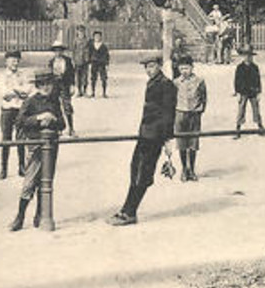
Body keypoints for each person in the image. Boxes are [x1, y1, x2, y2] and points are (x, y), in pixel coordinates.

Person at [107, 53, 176, 226]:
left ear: (159, 66)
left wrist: (167, 139)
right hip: (145, 134)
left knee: (142, 174)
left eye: (152, 66)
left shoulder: (166, 85)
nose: (149, 70)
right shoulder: (153, 83)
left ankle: (130, 212)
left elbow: (169, 114)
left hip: (155, 136)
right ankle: (127, 209)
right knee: (135, 170)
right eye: (146, 67)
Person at [9, 71, 63, 232]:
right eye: (43, 84)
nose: (47, 87)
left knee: (46, 180)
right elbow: (19, 122)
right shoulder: (31, 101)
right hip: (36, 145)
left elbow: (62, 124)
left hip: (52, 145)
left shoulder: (54, 101)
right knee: (30, 181)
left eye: (49, 84)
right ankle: (20, 216)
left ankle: (40, 214)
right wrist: (39, 118)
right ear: (38, 86)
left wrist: (53, 119)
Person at [0, 47, 29, 179]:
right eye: (12, 60)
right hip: (7, 110)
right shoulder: (2, 76)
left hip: (20, 110)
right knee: (6, 139)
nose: (15, 63)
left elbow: (27, 91)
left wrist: (15, 91)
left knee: (21, 139)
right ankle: (3, 168)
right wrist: (18, 91)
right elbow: (4, 94)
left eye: (17, 60)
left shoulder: (22, 75)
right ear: (6, 62)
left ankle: (21, 167)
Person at [173, 53, 207, 181]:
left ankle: (191, 169)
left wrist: (200, 110)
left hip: (194, 115)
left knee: (193, 144)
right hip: (180, 114)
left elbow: (204, 97)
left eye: (186, 68)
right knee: (181, 143)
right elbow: (172, 99)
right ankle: (183, 169)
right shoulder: (176, 83)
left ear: (192, 68)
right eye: (181, 69)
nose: (184, 71)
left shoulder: (199, 81)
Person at [233, 43, 265, 138]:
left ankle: (260, 126)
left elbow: (258, 80)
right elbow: (236, 81)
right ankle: (238, 128)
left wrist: (259, 92)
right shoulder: (240, 67)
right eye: (246, 55)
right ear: (243, 56)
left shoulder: (255, 67)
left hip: (253, 92)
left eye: (249, 55)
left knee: (256, 109)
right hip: (243, 92)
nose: (248, 57)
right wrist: (237, 92)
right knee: (241, 110)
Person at [48, 36, 77, 136]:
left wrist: (72, 85)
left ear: (62, 51)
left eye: (60, 50)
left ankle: (71, 128)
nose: (58, 53)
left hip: (65, 85)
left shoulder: (67, 61)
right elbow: (49, 75)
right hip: (55, 86)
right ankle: (59, 128)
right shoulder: (51, 62)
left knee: (67, 107)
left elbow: (72, 74)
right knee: (55, 107)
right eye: (56, 50)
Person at [88, 30, 110, 98]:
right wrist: (89, 63)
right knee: (93, 78)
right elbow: (89, 54)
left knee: (103, 78)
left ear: (101, 37)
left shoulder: (103, 46)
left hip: (102, 64)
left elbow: (107, 55)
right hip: (94, 63)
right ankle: (93, 92)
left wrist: (107, 64)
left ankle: (104, 93)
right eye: (96, 36)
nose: (97, 37)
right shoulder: (91, 46)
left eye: (98, 36)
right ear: (93, 37)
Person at [71, 23, 90, 97]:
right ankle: (79, 91)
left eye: (82, 31)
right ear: (77, 32)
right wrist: (73, 59)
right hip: (77, 60)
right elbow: (73, 50)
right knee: (78, 76)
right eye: (79, 31)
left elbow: (89, 50)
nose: (81, 33)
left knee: (85, 76)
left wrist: (88, 58)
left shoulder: (87, 40)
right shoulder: (75, 40)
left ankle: (85, 91)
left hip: (85, 60)